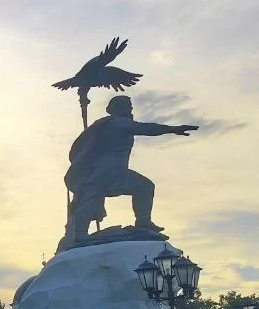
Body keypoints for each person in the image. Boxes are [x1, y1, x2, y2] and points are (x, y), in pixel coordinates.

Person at [59, 96, 198, 249]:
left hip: (116, 169)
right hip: (106, 169)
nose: (131, 108)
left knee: (143, 187)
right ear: (117, 108)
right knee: (92, 198)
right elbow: (146, 128)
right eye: (128, 105)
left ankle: (143, 222)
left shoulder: (110, 123)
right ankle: (80, 234)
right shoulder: (118, 122)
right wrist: (172, 129)